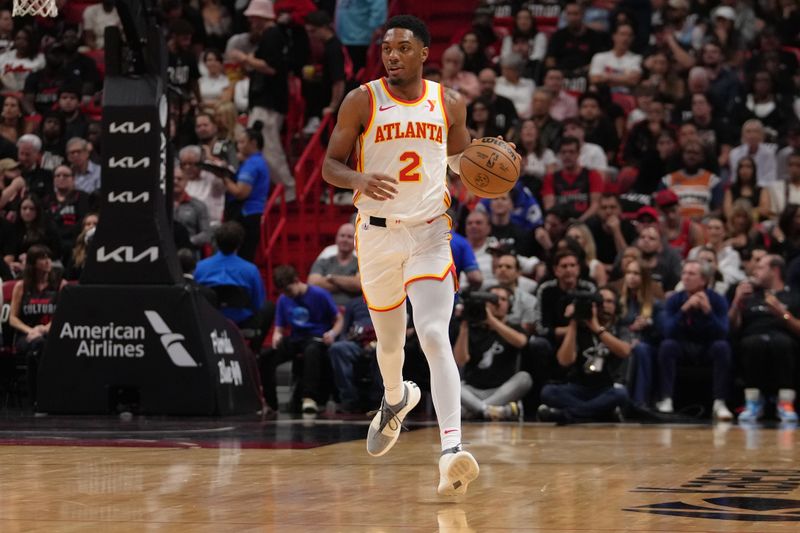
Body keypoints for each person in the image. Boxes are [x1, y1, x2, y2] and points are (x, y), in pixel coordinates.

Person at [321, 15, 479, 496]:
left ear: (424, 52)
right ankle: (396, 398)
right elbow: (329, 166)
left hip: (430, 232)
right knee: (390, 345)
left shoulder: (448, 102)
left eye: (402, 48)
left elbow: (462, 167)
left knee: (432, 333)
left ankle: (452, 449)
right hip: (377, 235)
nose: (392, 56)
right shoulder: (362, 100)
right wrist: (359, 179)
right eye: (386, 49)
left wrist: (489, 169)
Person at [538, 286, 631, 423]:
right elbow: (565, 361)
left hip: (607, 388)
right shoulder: (580, 329)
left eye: (610, 301)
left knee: (621, 393)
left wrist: (596, 328)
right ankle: (597, 414)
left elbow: (625, 351)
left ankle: (567, 415)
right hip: (579, 388)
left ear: (616, 305)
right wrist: (573, 323)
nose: (605, 305)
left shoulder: (619, 328)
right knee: (548, 392)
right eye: (601, 302)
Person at [656, 260, 733, 421]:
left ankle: (719, 403)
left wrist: (708, 312)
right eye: (684, 273)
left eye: (691, 274)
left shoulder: (717, 300)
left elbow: (723, 332)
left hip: (707, 347)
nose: (686, 277)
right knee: (667, 346)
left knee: (722, 346)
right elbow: (667, 331)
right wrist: (683, 310)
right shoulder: (674, 300)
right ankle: (666, 399)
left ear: (704, 280)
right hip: (682, 346)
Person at [730, 254, 800, 423]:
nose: (755, 271)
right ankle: (753, 402)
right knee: (754, 343)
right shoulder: (750, 296)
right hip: (752, 337)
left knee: (781, 343)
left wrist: (781, 313)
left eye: (761, 268)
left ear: (775, 270)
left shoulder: (793, 296)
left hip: (783, 338)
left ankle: (785, 403)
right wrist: (737, 301)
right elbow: (732, 326)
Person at [266, 265, 343, 415]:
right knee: (267, 357)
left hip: (316, 338)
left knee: (311, 351)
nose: (287, 295)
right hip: (296, 339)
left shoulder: (319, 294)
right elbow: (280, 327)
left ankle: (309, 398)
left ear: (296, 281)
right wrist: (277, 335)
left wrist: (332, 333)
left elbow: (339, 319)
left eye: (288, 290)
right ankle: (271, 403)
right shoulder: (284, 298)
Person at [454, 285, 531, 421]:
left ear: (509, 305)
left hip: (502, 391)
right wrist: (465, 326)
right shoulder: (472, 329)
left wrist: (492, 321)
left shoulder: (514, 327)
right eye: (493, 299)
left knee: (524, 378)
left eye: (503, 299)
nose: (498, 303)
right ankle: (494, 411)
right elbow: (460, 360)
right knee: (451, 383)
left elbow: (521, 342)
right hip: (473, 390)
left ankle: (478, 409)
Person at [194, 221, 271, 352]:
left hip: (211, 319)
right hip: (241, 321)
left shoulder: (201, 267)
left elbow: (197, 298)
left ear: (216, 242)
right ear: (240, 243)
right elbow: (258, 303)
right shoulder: (250, 270)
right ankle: (254, 352)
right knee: (269, 307)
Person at [8, 244, 65, 411]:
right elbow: (12, 318)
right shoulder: (21, 286)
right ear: (33, 263)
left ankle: (37, 398)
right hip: (25, 335)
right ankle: (40, 398)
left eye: (48, 257)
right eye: (42, 258)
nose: (47, 261)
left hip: (50, 334)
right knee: (36, 345)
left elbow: (62, 315)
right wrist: (30, 331)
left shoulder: (60, 285)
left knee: (39, 346)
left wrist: (43, 329)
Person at [220, 122, 270, 262]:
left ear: (253, 143)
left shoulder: (252, 165)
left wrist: (223, 177)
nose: (238, 146)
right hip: (250, 214)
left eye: (242, 142)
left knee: (241, 257)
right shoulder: (258, 161)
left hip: (245, 216)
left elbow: (241, 192)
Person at [308, 223, 361, 306]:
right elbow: (313, 283)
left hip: (353, 311)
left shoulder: (360, 263)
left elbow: (359, 284)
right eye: (342, 236)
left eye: (349, 237)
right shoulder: (323, 261)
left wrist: (331, 278)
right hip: (325, 310)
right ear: (336, 238)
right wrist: (348, 284)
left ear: (355, 241)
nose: (345, 239)